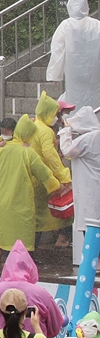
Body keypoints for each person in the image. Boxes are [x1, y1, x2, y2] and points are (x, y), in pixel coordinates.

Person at [0, 116, 61, 264]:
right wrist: (58, 187)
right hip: (20, 204)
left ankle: (4, 265)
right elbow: (45, 174)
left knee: (5, 238)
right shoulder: (27, 153)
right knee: (22, 243)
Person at [30, 92, 73, 244]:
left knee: (36, 219)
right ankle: (63, 239)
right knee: (61, 211)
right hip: (45, 180)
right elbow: (50, 156)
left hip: (34, 179)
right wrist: (63, 176)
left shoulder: (35, 126)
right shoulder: (46, 131)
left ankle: (32, 250)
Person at [60, 106, 100, 265]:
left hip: (88, 188)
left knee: (89, 225)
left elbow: (67, 150)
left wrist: (65, 132)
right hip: (93, 186)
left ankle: (96, 262)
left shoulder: (90, 138)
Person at [49, 0, 100, 109]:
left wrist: (55, 74)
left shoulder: (66, 25)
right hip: (94, 70)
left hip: (73, 71)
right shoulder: (96, 25)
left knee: (75, 97)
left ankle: (74, 121)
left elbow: (57, 50)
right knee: (94, 97)